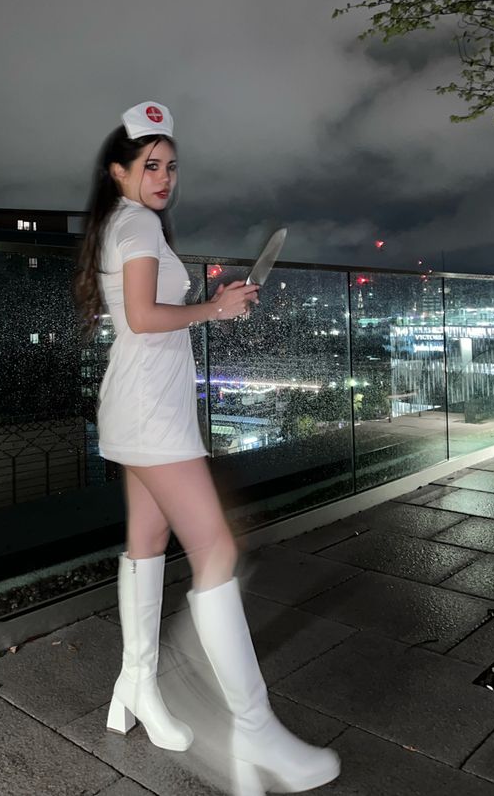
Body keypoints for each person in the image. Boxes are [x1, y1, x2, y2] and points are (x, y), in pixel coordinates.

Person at [75, 102, 340, 796]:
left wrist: (215, 300)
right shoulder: (134, 223)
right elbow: (142, 316)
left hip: (141, 401)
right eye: (149, 165)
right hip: (151, 410)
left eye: (171, 165)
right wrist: (212, 310)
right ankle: (252, 729)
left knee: (146, 540)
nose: (164, 177)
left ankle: (136, 683)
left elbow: (148, 318)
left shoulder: (129, 226)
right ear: (119, 172)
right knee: (215, 549)